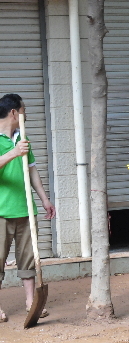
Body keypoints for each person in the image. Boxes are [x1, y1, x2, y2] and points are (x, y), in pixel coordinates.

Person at [0, 94, 56, 322]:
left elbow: (32, 171)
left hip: (26, 210)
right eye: (23, 109)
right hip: (1, 212)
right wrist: (14, 153)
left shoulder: (23, 138)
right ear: (14, 112)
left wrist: (44, 199)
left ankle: (31, 302)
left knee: (29, 260)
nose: (26, 114)